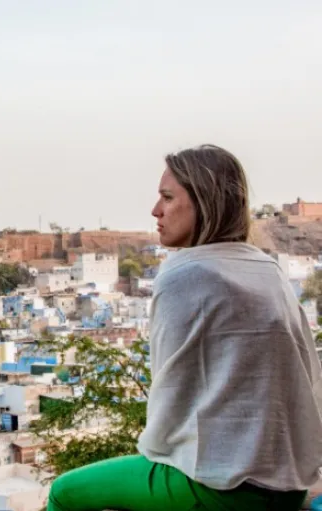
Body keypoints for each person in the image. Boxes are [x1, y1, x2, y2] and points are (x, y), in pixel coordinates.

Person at [47, 144, 322, 511]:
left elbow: (170, 390)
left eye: (167, 197)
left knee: (64, 492)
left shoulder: (186, 273)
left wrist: (159, 457)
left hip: (221, 488)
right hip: (289, 485)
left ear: (204, 203)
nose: (155, 210)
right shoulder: (265, 268)